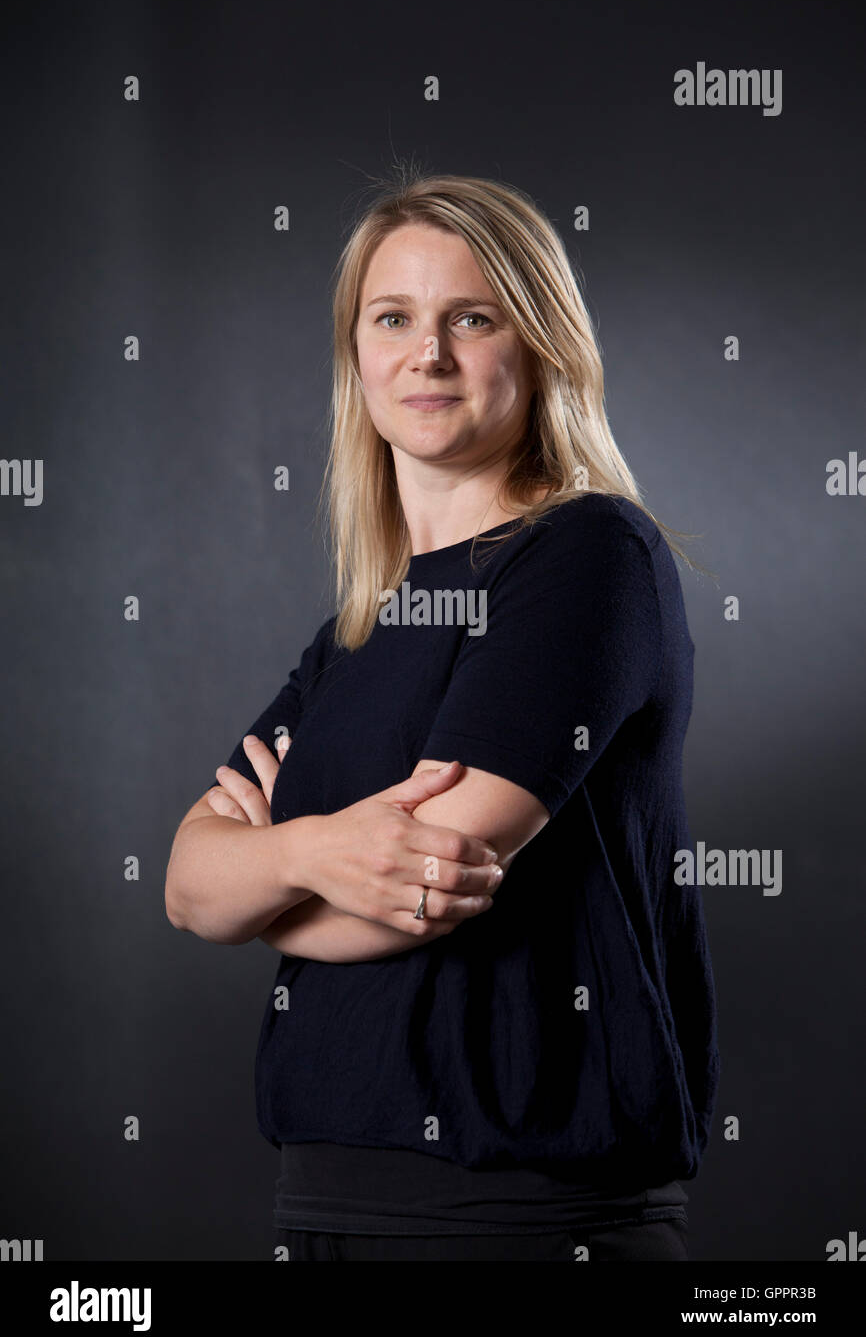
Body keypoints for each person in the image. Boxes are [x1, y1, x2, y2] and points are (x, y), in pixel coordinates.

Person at [164, 171, 720, 1262]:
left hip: (529, 1218)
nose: (428, 354)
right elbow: (187, 884)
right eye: (393, 319)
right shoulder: (358, 631)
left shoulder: (588, 556)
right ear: (358, 357)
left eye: (471, 317)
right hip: (327, 1205)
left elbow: (426, 883)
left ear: (541, 347)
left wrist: (269, 880)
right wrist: (326, 848)